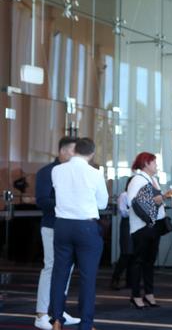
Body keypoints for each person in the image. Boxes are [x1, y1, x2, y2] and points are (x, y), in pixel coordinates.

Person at [49, 138, 108, 330]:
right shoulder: (94, 173)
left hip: (62, 225)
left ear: (74, 151)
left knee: (59, 274)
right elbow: (102, 204)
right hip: (86, 227)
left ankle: (57, 320)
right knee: (87, 277)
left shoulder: (57, 170)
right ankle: (86, 324)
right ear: (91, 154)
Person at [34, 137, 81, 330]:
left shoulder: (72, 173)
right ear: (62, 150)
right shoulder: (47, 172)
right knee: (51, 267)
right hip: (52, 226)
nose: (75, 156)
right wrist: (67, 204)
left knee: (66, 269)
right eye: (72, 151)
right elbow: (42, 201)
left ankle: (57, 312)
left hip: (69, 226)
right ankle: (41, 314)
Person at [127, 152, 167, 309]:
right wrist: (154, 200)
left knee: (149, 262)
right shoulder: (137, 179)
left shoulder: (153, 179)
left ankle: (149, 293)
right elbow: (132, 202)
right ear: (146, 164)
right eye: (154, 163)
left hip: (153, 225)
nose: (156, 166)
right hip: (141, 227)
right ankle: (136, 295)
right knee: (138, 261)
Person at [110, 176, 134, 290]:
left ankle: (130, 281)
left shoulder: (139, 196)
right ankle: (115, 279)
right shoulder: (124, 195)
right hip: (127, 225)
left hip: (136, 225)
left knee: (133, 254)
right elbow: (123, 212)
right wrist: (137, 209)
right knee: (126, 253)